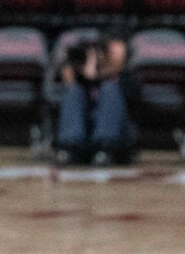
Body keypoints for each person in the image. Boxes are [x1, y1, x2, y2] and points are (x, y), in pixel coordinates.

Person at [55, 32, 137, 165]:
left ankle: (104, 148)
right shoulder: (79, 77)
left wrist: (99, 75)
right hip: (82, 132)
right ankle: (69, 147)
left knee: (109, 89)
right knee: (73, 91)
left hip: (115, 137)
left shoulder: (126, 77)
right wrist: (73, 75)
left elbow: (134, 99)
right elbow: (56, 91)